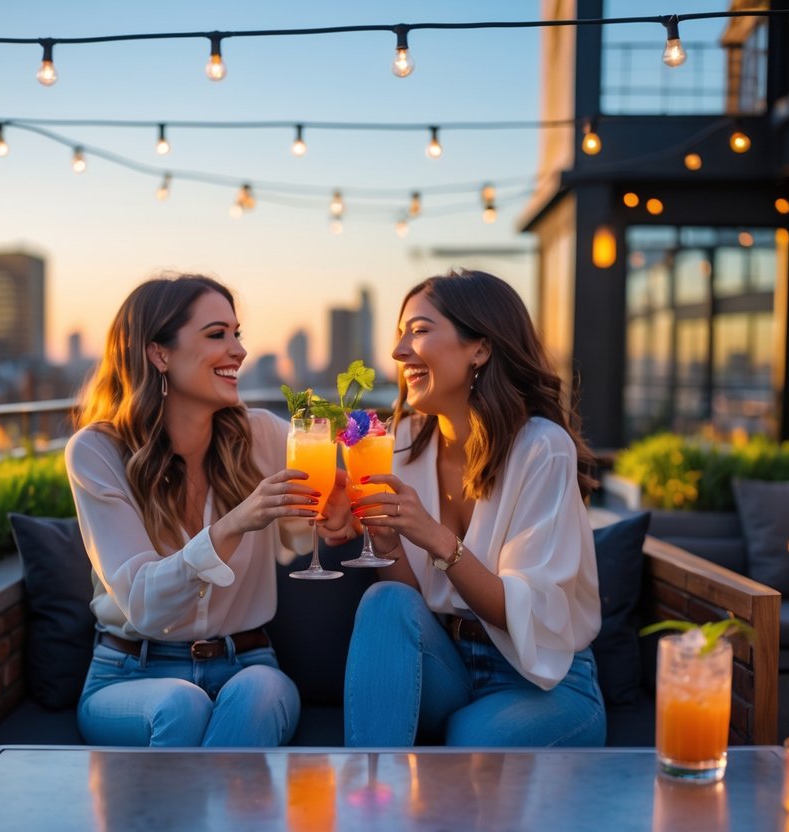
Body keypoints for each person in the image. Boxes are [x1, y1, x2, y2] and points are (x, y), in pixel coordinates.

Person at [329, 269, 606, 747]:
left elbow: (523, 617)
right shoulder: (400, 443)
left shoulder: (542, 448)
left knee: (470, 744)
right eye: (399, 334)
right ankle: (368, 786)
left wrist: (435, 537)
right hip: (450, 662)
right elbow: (411, 602)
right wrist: (387, 538)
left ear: (480, 348)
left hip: (541, 679)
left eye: (418, 331)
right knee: (385, 600)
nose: (398, 352)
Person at [67, 273, 323, 747]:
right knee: (180, 705)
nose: (239, 351)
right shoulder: (96, 452)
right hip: (130, 674)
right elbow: (144, 606)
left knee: (261, 692)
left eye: (237, 334)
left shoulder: (266, 435)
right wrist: (235, 524)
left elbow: (298, 537)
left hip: (246, 663)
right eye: (216, 334)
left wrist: (332, 514)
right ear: (159, 354)